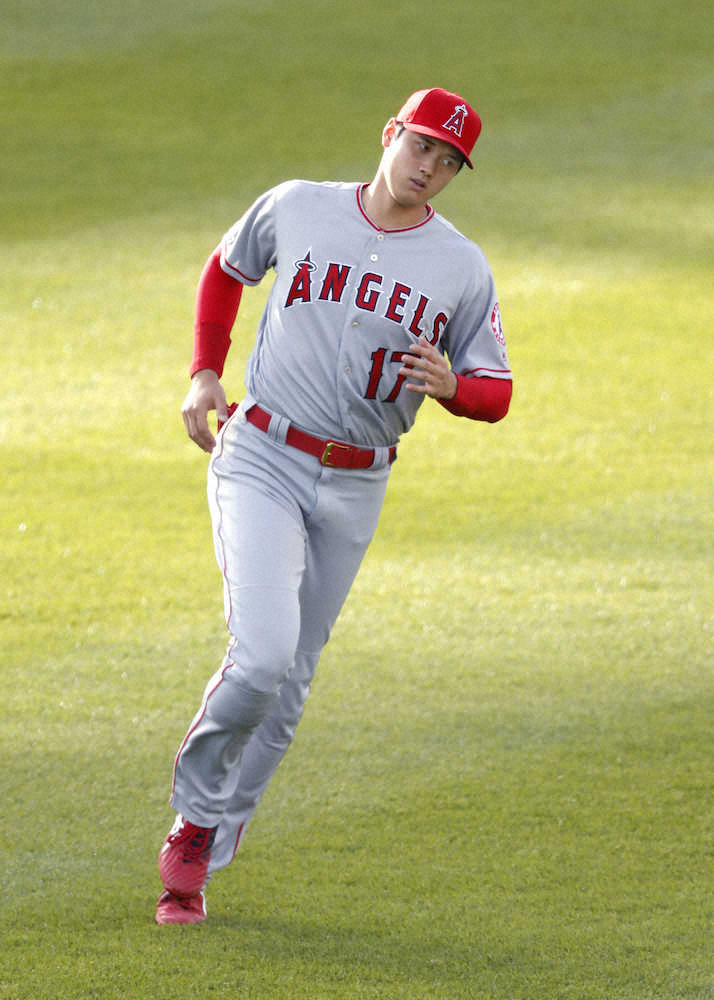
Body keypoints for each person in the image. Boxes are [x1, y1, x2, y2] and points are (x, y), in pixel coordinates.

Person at [155, 87, 513, 924]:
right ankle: (195, 819)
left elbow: (496, 391)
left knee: (289, 690)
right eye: (421, 145)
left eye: (449, 161)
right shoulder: (298, 206)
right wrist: (205, 371)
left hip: (357, 484)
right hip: (263, 455)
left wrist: (454, 387)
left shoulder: (461, 266)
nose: (429, 168)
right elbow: (227, 268)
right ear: (390, 134)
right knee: (262, 658)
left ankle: (202, 855)